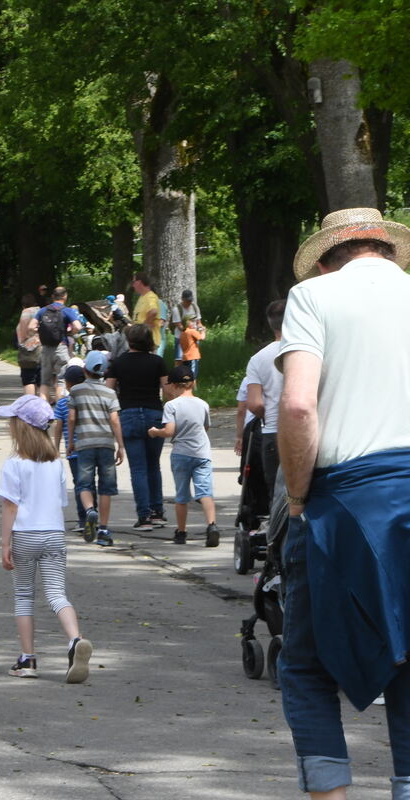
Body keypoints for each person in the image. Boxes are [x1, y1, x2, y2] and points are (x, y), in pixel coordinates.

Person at [276, 208, 410, 800]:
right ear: (385, 251)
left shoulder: (313, 296)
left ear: (330, 257)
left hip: (349, 498)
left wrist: (300, 497)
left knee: (306, 662)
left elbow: (299, 406)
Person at [0, 394, 93, 683]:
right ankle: (75, 640)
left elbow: (10, 506)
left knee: (24, 595)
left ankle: (27, 660)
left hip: (25, 535)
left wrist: (5, 544)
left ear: (20, 427)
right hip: (54, 534)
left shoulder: (14, 463)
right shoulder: (55, 463)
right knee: (56, 594)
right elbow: (61, 501)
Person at [105, 323, 168, 531]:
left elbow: (108, 391)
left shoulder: (119, 363)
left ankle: (144, 515)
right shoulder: (157, 362)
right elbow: (167, 391)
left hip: (129, 413)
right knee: (153, 465)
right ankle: (158, 510)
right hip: (154, 412)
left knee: (138, 468)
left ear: (129, 340)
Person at [149, 365, 218, 546]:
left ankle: (181, 532)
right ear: (193, 383)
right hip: (202, 452)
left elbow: (170, 431)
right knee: (205, 492)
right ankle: (212, 525)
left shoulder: (171, 405)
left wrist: (156, 432)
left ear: (172, 386)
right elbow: (205, 427)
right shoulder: (203, 404)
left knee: (181, 496)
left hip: (181, 453)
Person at [68, 351, 124, 547]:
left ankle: (90, 510)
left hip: (85, 444)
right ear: (104, 371)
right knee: (106, 488)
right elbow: (115, 421)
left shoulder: (76, 391)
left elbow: (72, 418)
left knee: (84, 484)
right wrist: (120, 446)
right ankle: (103, 528)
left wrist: (70, 442)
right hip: (106, 445)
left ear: (85, 370)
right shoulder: (110, 393)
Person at [245, 299, 287, 502]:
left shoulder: (258, 358)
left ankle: (280, 531)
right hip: (308, 429)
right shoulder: (310, 349)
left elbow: (254, 403)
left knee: (277, 493)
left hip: (273, 431)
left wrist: (268, 414)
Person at [29, 286, 82, 405]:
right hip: (61, 347)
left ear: (53, 296)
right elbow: (78, 326)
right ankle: (59, 412)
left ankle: (43, 411)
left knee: (45, 381)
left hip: (46, 348)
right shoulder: (67, 311)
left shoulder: (43, 310)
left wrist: (40, 332)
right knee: (61, 380)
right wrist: (69, 333)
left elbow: (31, 326)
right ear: (65, 296)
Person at [130, 273, 163, 353]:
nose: (133, 285)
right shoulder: (142, 297)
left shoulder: (150, 296)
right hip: (140, 342)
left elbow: (153, 312)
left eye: (134, 282)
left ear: (139, 282)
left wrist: (144, 327)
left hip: (148, 342)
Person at [16, 294, 42, 396]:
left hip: (29, 350)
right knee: (41, 380)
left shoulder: (26, 312)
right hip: (43, 348)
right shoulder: (42, 311)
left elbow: (22, 334)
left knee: (29, 380)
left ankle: (30, 404)